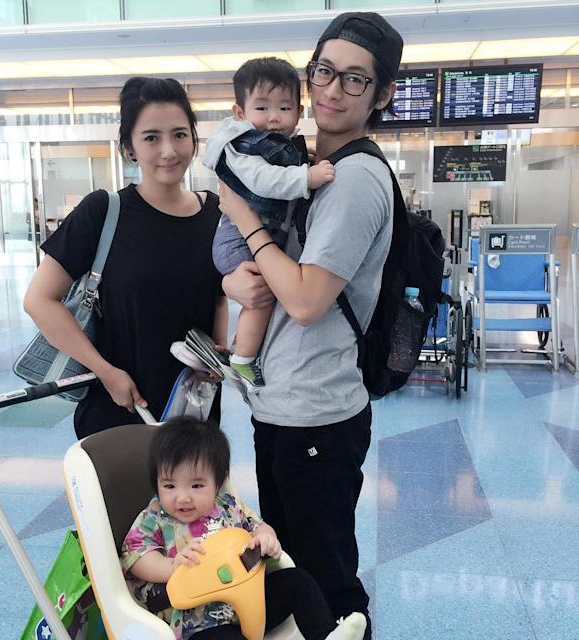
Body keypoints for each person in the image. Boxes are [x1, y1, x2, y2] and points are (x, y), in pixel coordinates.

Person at [218, 12, 404, 638]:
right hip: (285, 405)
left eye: (355, 79)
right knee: (294, 569)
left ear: (382, 95)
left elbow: (303, 301)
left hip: (317, 413)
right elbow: (268, 275)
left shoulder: (354, 179)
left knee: (328, 581)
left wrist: (244, 219)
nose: (332, 89)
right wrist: (233, 280)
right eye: (324, 71)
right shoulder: (304, 163)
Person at [23, 77, 227, 438]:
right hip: (118, 406)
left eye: (180, 134)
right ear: (130, 147)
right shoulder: (103, 211)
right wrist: (104, 371)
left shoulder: (215, 212)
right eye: (151, 138)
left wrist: (215, 357)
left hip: (193, 410)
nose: (169, 150)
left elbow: (218, 295)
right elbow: (39, 300)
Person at [121, 416, 367, 640]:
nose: (183, 498)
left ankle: (325, 635)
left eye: (196, 486)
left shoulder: (228, 505)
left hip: (250, 599)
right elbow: (136, 557)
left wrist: (265, 539)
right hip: (198, 620)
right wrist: (171, 566)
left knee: (299, 582)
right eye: (169, 486)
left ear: (218, 483)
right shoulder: (155, 517)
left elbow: (259, 526)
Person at [203, 57, 335, 387]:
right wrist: (306, 177)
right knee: (263, 297)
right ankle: (244, 360)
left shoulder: (278, 145)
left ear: (299, 112)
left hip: (253, 235)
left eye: (284, 108)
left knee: (265, 295)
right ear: (240, 113)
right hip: (236, 238)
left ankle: (244, 351)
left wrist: (302, 164)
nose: (274, 117)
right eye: (262, 108)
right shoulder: (244, 147)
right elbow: (265, 181)